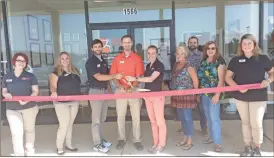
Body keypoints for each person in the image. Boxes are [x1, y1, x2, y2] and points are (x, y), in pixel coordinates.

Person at [225, 34, 273, 156]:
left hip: (258, 96)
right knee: (245, 122)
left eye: (249, 43)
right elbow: (228, 77)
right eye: (244, 43)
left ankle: (257, 148)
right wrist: (237, 87)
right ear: (241, 46)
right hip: (241, 97)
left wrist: (267, 81)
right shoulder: (235, 60)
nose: (247, 46)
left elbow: (272, 73)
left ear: (254, 44)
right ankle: (247, 147)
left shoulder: (263, 58)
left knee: (256, 122)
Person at [125, 45, 166, 154]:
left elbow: (151, 79)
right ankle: (155, 143)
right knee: (152, 121)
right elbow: (144, 81)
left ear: (157, 54)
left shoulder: (159, 65)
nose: (151, 55)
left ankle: (161, 144)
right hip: (147, 97)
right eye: (149, 53)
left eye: (153, 53)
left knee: (160, 122)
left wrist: (135, 78)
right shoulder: (147, 66)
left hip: (157, 97)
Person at [85, 39, 123, 153]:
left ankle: (101, 140)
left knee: (102, 118)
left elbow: (106, 78)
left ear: (102, 48)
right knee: (96, 120)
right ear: (92, 49)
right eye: (95, 47)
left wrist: (110, 90)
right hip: (95, 91)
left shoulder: (103, 61)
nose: (97, 48)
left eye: (99, 46)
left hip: (104, 91)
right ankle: (97, 144)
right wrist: (115, 76)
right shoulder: (91, 62)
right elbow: (99, 77)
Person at [110, 35, 145, 151]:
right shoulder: (116, 59)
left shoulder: (137, 58)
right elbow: (114, 76)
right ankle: (121, 139)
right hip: (120, 90)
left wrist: (132, 87)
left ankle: (137, 140)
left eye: (129, 42)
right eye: (125, 42)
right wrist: (120, 86)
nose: (127, 44)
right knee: (120, 117)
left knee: (136, 117)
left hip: (134, 90)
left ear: (132, 43)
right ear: (122, 44)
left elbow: (139, 76)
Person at [2, 53, 39, 156]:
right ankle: (19, 154)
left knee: (29, 130)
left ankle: (30, 151)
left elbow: (35, 91)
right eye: (19, 60)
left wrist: (27, 100)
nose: (21, 63)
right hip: (12, 109)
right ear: (14, 62)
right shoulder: (7, 76)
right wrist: (6, 94)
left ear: (26, 63)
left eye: (23, 61)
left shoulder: (30, 76)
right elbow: (4, 91)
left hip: (29, 107)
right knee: (16, 133)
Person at [49, 52, 81, 155]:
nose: (65, 60)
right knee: (64, 124)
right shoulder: (55, 72)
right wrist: (53, 92)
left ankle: (69, 144)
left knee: (70, 123)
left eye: (67, 58)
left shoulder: (74, 71)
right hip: (61, 103)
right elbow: (53, 86)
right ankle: (59, 146)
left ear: (69, 59)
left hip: (74, 101)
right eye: (62, 58)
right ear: (59, 60)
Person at [197, 41, 226, 152]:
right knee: (208, 117)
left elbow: (221, 80)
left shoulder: (219, 62)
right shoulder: (203, 62)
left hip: (214, 94)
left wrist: (217, 94)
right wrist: (198, 93)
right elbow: (201, 79)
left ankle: (218, 142)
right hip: (204, 94)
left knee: (214, 118)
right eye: (208, 48)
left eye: (213, 48)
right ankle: (212, 137)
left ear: (216, 49)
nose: (210, 50)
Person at [171, 46, 199, 150]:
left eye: (181, 53)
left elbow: (195, 82)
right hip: (177, 96)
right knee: (182, 119)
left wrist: (195, 95)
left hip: (187, 97)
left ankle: (190, 141)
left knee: (188, 118)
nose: (178, 56)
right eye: (177, 53)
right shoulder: (176, 65)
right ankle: (184, 138)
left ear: (185, 54)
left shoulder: (189, 66)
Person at [184, 36, 208, 136]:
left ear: (197, 44)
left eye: (194, 42)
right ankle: (185, 127)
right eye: (190, 42)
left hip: (200, 85)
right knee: (186, 108)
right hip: (187, 85)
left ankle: (203, 127)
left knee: (202, 109)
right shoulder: (185, 55)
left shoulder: (202, 55)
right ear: (188, 44)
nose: (192, 44)